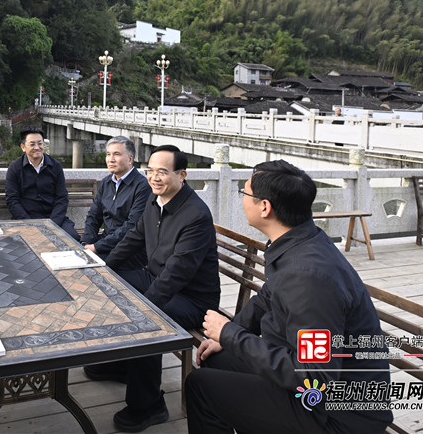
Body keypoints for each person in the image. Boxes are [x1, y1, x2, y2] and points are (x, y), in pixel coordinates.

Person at [185, 160, 392, 434]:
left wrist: (231, 336)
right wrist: (231, 333)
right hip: (307, 382)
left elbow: (314, 376)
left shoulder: (309, 277)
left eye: (244, 193)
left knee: (201, 386)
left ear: (265, 207)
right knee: (216, 359)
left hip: (335, 413)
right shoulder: (298, 241)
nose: (242, 200)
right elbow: (267, 296)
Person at [90, 144, 220, 432]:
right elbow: (133, 239)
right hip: (156, 278)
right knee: (107, 286)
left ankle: (149, 405)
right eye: (150, 171)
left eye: (163, 172)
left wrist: (144, 306)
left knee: (147, 320)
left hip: (191, 298)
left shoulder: (195, 215)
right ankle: (122, 363)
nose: (154, 177)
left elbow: (178, 273)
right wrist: (104, 269)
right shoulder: (155, 199)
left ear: (182, 174)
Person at [81, 136, 149, 269]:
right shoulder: (107, 182)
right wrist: (85, 243)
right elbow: (94, 216)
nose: (110, 159)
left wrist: (96, 247)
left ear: (130, 159)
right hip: (106, 243)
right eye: (108, 154)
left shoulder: (143, 186)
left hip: (129, 250)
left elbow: (132, 226)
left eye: (116, 154)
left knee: (87, 268)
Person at [5, 128, 80, 241]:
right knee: (19, 243)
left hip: (53, 218)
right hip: (26, 219)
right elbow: (12, 199)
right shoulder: (15, 167)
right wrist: (30, 224)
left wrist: (52, 224)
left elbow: (62, 198)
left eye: (40, 143)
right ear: (23, 147)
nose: (37, 147)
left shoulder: (55, 166)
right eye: (32, 144)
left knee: (72, 238)